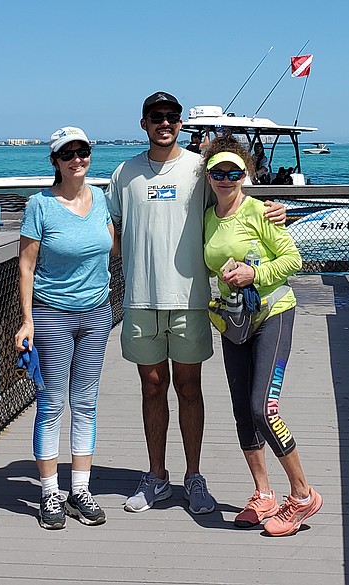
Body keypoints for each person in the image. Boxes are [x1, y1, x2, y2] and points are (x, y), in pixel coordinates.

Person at [106, 91, 286, 516]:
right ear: (144, 123)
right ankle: (156, 477)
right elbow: (109, 229)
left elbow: (235, 202)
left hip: (190, 301)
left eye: (171, 116)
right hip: (139, 301)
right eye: (156, 116)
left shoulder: (197, 169)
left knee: (190, 388)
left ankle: (193, 476)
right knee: (152, 388)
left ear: (180, 123)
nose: (164, 123)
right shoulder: (124, 173)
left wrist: (274, 209)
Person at [201, 135, 323, 537]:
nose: (224, 179)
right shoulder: (206, 216)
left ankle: (303, 495)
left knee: (262, 407)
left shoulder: (261, 213)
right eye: (217, 172)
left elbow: (293, 259)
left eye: (233, 172)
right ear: (208, 174)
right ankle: (263, 494)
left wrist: (255, 274)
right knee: (241, 411)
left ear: (244, 175)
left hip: (273, 314)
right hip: (232, 321)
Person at [15, 126, 117, 530]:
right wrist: (27, 321)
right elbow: (25, 266)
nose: (77, 159)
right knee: (52, 402)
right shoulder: (40, 205)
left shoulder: (102, 199)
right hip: (53, 314)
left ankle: (80, 489)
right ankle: (49, 494)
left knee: (86, 402)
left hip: (97, 314)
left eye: (83, 151)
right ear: (55, 161)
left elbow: (114, 247)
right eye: (68, 153)